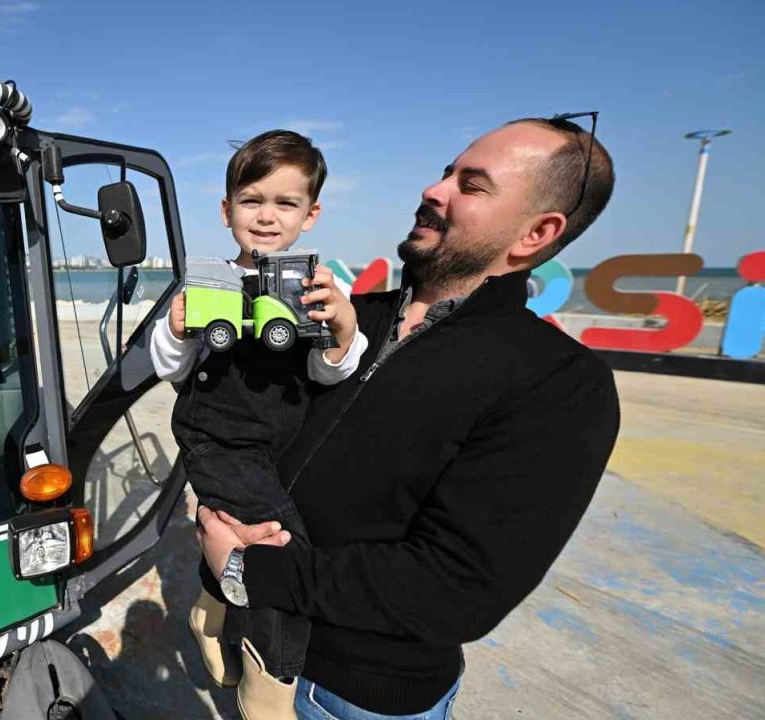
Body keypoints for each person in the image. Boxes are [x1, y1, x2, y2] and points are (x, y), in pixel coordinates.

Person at [198, 115, 621, 720]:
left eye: (472, 185)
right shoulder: (338, 318)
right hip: (254, 644)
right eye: (447, 171)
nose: (434, 188)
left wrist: (249, 572)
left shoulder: (558, 381)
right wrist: (217, 560)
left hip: (355, 696)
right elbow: (240, 434)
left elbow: (457, 588)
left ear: (536, 234)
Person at [149, 130, 367, 717]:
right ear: (226, 212)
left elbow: (328, 374)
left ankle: (213, 608)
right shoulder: (207, 281)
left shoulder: (318, 284)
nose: (267, 217)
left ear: (311, 214)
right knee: (283, 548)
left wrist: (344, 335)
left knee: (239, 528)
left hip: (285, 442)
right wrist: (173, 328)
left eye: (285, 203)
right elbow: (170, 368)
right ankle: (272, 679)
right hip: (220, 437)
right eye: (251, 201)